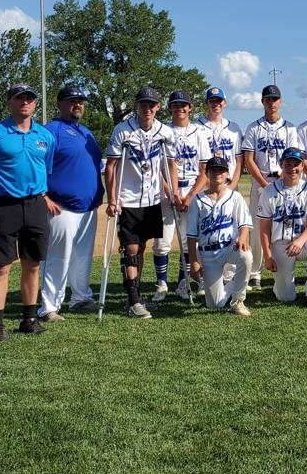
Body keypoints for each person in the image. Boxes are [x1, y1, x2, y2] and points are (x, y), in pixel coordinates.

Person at [0, 83, 56, 341]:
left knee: (32, 265)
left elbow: (46, 169)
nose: (25, 102)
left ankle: (29, 319)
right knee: (2, 265)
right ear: (9, 102)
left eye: (29, 98)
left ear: (35, 104)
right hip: (4, 206)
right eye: (19, 98)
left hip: (35, 205)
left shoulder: (45, 136)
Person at [104, 87, 179, 319]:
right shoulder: (122, 130)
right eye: (143, 104)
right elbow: (111, 167)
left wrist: (174, 192)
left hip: (152, 199)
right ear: (136, 106)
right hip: (128, 199)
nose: (148, 109)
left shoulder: (165, 132)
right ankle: (134, 300)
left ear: (158, 107)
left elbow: (172, 165)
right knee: (131, 248)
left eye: (152, 105)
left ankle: (135, 294)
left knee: (143, 246)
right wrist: (113, 198)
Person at [38, 85, 104, 321]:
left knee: (82, 256)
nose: (78, 105)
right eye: (72, 100)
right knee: (58, 256)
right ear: (60, 104)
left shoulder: (86, 132)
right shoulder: (51, 131)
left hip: (88, 207)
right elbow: (37, 166)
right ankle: (48, 307)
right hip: (60, 206)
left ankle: (80, 297)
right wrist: (44, 197)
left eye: (81, 101)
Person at [242, 84, 302, 289]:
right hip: (261, 182)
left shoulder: (290, 128)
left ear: (280, 101)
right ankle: (255, 273)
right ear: (262, 102)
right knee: (258, 228)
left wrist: (283, 180)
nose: (272, 102)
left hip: (284, 183)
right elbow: (249, 160)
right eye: (268, 99)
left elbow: (294, 157)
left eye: (275, 99)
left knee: (285, 226)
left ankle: (285, 268)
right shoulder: (253, 127)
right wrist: (264, 183)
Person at [153, 90, 209, 302]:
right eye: (176, 105)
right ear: (169, 108)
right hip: (167, 192)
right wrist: (171, 193)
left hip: (192, 191)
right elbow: (158, 168)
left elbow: (205, 169)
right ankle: (162, 284)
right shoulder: (162, 131)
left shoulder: (199, 133)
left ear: (190, 107)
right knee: (162, 243)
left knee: (188, 242)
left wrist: (191, 196)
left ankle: (183, 283)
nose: (180, 108)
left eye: (184, 104)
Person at [257, 147, 307, 308]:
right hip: (280, 244)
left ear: (302, 166)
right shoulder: (268, 191)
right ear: (281, 164)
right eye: (288, 164)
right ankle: (280, 284)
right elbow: (264, 228)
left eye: (297, 164)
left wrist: (300, 241)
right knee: (285, 297)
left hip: (303, 242)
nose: (292, 168)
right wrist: (268, 256)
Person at [186, 157, 253, 315]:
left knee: (246, 256)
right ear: (207, 173)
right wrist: (193, 261)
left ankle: (238, 300)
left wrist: (242, 237)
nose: (217, 173)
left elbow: (244, 224)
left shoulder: (234, 197)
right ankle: (230, 287)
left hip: (229, 247)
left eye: (221, 170)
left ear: (227, 173)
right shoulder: (197, 200)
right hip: (208, 253)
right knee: (215, 304)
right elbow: (191, 234)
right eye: (213, 170)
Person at [195, 85, 243, 187]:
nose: (216, 104)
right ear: (206, 103)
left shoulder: (234, 128)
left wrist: (232, 186)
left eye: (219, 101)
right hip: (204, 185)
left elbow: (239, 161)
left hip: (229, 184)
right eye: (212, 101)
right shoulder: (196, 127)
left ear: (224, 103)